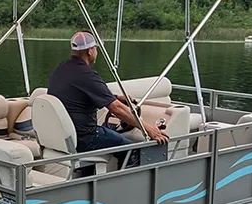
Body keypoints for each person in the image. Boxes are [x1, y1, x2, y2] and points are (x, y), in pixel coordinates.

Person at [47, 31, 168, 160]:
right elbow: (117, 109)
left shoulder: (61, 69)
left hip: (63, 135)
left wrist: (115, 97)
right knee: (132, 150)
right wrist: (148, 128)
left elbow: (82, 92)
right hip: (85, 138)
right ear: (90, 51)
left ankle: (87, 171)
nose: (96, 52)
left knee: (110, 132)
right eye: (96, 48)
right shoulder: (87, 75)